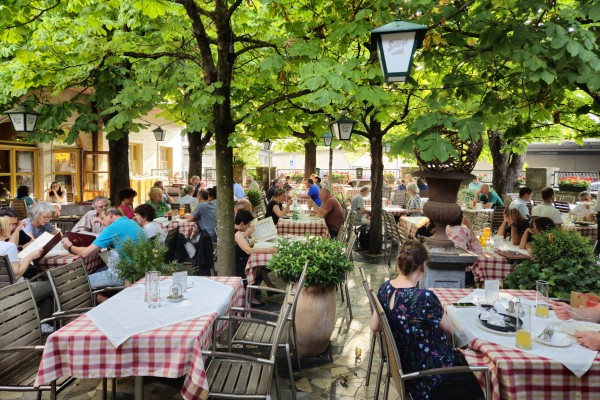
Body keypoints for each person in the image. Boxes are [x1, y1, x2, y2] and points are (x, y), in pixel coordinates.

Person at [371, 241, 484, 400]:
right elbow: (452, 331)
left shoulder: (384, 289)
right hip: (433, 378)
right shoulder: (424, 298)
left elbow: (374, 326)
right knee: (480, 382)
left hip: (410, 373)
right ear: (423, 266)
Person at [62, 207, 145, 290]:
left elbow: (85, 253)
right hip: (138, 271)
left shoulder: (113, 227)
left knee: (76, 284)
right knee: (95, 270)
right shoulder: (130, 222)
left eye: (102, 218)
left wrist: (69, 247)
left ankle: (105, 302)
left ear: (110, 215)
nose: (101, 222)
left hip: (122, 275)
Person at [0, 217, 53, 332]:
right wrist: (30, 256)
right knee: (53, 285)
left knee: (46, 293)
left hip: (3, 290)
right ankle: (42, 324)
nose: (12, 228)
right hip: (16, 290)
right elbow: (16, 275)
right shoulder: (8, 247)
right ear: (1, 229)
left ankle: (37, 321)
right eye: (8, 225)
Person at [234, 210, 277, 307]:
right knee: (256, 265)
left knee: (259, 264)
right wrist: (268, 250)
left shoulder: (237, 232)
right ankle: (252, 298)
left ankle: (268, 287)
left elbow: (242, 245)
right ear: (242, 224)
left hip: (239, 259)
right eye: (248, 224)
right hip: (239, 264)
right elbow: (248, 250)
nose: (250, 226)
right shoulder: (237, 234)